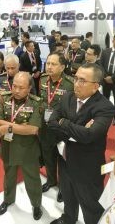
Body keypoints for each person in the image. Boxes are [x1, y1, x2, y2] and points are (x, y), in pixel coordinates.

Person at [48, 63, 115, 224]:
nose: (76, 83)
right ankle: (68, 218)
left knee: (90, 204)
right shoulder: (67, 97)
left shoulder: (105, 107)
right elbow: (51, 122)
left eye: (82, 80)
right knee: (68, 195)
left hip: (87, 166)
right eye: (76, 78)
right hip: (65, 159)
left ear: (95, 86)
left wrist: (63, 122)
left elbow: (89, 135)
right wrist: (76, 130)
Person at [0, 72, 43, 221]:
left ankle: (36, 204)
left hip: (28, 148)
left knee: (32, 178)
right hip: (8, 146)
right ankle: (8, 200)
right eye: (14, 86)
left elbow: (33, 129)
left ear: (29, 88)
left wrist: (8, 127)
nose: (16, 90)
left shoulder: (36, 102)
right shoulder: (4, 98)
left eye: (21, 87)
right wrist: (20, 126)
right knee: (9, 175)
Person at [39, 52, 74, 198]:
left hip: (61, 129)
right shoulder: (42, 79)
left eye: (53, 64)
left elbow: (72, 108)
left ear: (62, 67)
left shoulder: (70, 83)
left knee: (63, 159)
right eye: (48, 63)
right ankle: (52, 181)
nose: (49, 66)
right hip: (45, 127)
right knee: (48, 156)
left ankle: (63, 187)